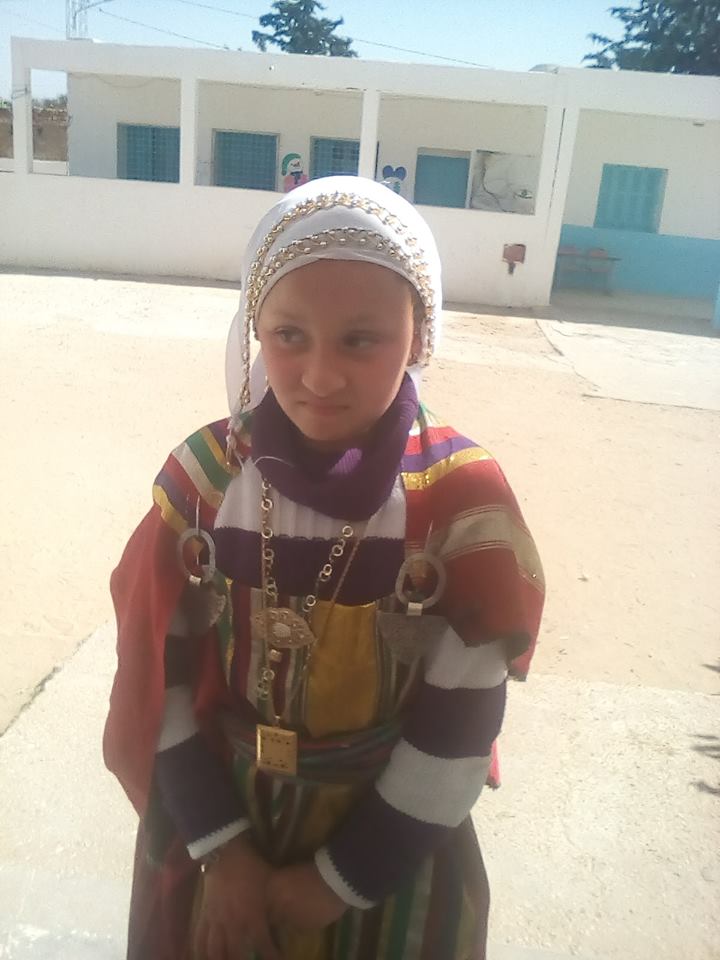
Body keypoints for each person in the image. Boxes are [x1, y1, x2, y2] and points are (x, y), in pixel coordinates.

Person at [104, 175, 545, 960]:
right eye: (289, 335)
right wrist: (223, 851)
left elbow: (461, 725)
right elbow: (159, 682)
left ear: (419, 335)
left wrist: (336, 882)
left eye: (360, 339)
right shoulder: (205, 482)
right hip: (221, 835)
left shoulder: (459, 503)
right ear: (255, 329)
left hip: (393, 856)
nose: (319, 376)